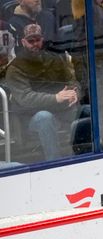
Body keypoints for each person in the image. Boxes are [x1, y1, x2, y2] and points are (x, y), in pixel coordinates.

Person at [3, 23, 83, 161]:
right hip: (30, 118)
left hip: (61, 111)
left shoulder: (55, 58)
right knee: (44, 117)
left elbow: (72, 81)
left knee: (86, 111)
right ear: (23, 42)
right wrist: (55, 98)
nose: (35, 44)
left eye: (37, 40)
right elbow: (25, 98)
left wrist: (74, 92)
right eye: (30, 41)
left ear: (42, 39)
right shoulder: (15, 68)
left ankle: (86, 156)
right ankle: (55, 162)